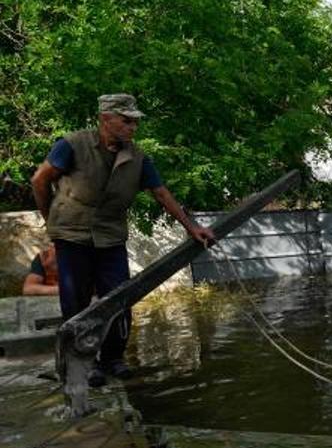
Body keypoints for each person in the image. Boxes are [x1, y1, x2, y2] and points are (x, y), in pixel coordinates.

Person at [30, 94, 216, 387]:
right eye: (126, 120)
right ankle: (82, 364)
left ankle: (113, 359)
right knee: (76, 301)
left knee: (120, 299)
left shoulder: (138, 157)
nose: (133, 127)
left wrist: (192, 227)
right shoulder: (72, 145)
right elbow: (40, 180)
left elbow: (161, 193)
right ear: (106, 119)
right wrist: (51, 220)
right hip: (72, 235)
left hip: (111, 237)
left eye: (135, 122)